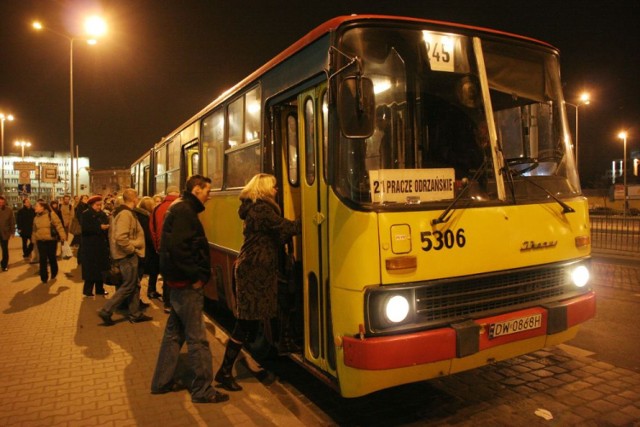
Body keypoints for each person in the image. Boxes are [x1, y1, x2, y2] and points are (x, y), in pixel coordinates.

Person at [215, 173, 301, 392]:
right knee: (245, 323)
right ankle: (224, 372)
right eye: (273, 186)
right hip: (254, 270)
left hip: (255, 268)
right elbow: (287, 229)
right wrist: (312, 216)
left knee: (252, 320)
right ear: (263, 189)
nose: (276, 190)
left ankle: (282, 344)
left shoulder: (255, 209)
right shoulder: (262, 210)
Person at [150, 175, 229, 404]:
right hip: (186, 285)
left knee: (173, 335)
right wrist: (196, 276)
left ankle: (161, 382)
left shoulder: (179, 208)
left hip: (177, 283)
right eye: (207, 191)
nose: (209, 195)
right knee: (198, 340)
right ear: (196, 189)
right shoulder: (185, 211)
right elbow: (179, 249)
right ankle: (203, 390)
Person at [98, 189, 152, 325]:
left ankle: (135, 314)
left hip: (126, 255)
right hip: (127, 256)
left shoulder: (123, 213)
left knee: (134, 284)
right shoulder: (125, 214)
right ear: (134, 199)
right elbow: (121, 238)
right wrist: (132, 249)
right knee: (128, 285)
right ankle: (106, 310)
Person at [149, 186, 180, 312]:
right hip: (177, 247)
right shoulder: (180, 206)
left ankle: (167, 303)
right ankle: (175, 304)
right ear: (177, 193)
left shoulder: (156, 208)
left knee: (167, 276)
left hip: (162, 247)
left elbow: (153, 230)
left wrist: (157, 246)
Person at [80, 196, 110, 297]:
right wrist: (99, 227)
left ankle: (100, 289)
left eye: (100, 205)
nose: (99, 207)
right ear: (92, 205)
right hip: (90, 246)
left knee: (101, 269)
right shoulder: (86, 214)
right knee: (91, 269)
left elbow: (107, 223)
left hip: (101, 245)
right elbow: (85, 229)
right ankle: (87, 290)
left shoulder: (102, 214)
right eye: (97, 205)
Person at [32, 200, 67, 283]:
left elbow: (59, 225)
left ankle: (54, 272)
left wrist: (63, 235)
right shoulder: (35, 218)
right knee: (42, 259)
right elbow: (34, 230)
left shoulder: (51, 215)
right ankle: (44, 277)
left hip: (51, 241)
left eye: (37, 206)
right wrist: (34, 239)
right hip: (40, 241)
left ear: (42, 207)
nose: (35, 207)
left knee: (52, 258)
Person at [134, 196, 160, 299]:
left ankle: (148, 292)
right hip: (147, 249)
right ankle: (150, 291)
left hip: (143, 249)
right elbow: (148, 235)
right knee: (152, 270)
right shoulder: (146, 217)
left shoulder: (138, 215)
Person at [0, 195, 16, 271]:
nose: (1, 204)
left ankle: (4, 264)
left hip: (5, 233)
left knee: (5, 249)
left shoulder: (9, 210)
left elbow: (12, 221)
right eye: (0, 202)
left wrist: (13, 231)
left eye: (2, 202)